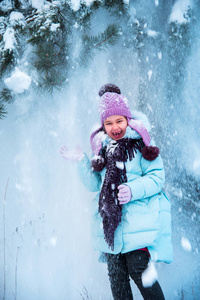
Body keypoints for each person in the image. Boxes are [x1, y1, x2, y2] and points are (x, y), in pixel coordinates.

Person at [60, 83, 173, 300]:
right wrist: (82, 161)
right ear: (103, 126)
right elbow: (95, 185)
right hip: (110, 229)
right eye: (109, 123)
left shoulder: (142, 146)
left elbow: (157, 178)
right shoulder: (101, 150)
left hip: (137, 226)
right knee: (116, 278)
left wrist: (132, 189)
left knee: (139, 270)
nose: (115, 127)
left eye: (119, 121)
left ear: (128, 120)